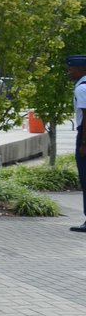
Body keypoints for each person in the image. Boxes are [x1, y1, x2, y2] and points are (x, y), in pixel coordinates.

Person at [69, 55, 86, 233]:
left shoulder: (82, 88)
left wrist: (84, 143)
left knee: (85, 178)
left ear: (81, 70)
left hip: (84, 134)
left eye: (71, 69)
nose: (69, 72)